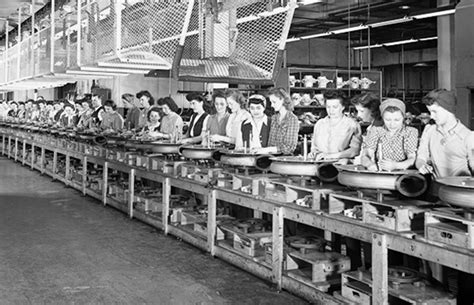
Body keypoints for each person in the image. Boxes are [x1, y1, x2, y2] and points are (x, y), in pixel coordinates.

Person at [414, 89, 474, 304]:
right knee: (434, 254)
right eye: (430, 112)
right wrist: (422, 166)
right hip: (437, 201)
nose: (432, 116)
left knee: (464, 258)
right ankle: (437, 297)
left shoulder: (469, 138)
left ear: (449, 110)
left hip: (463, 206)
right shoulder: (430, 131)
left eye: (436, 112)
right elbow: (421, 157)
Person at [361, 99, 418, 171]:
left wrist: (396, 165)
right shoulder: (376, 131)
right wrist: (370, 165)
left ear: (403, 118)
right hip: (380, 173)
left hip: (403, 176)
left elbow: (412, 159)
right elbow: (365, 156)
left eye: (397, 120)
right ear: (382, 118)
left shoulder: (410, 132)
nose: (392, 124)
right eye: (387, 120)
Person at [308, 91, 362, 161]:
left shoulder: (352, 125)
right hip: (320, 165)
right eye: (328, 107)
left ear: (343, 107)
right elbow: (314, 147)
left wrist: (330, 156)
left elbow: (355, 151)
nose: (331, 110)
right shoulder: (319, 124)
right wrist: (313, 153)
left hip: (341, 166)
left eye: (335, 107)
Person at [267, 88, 299, 155]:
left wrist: (268, 149)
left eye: (274, 102)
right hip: (272, 157)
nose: (272, 105)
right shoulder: (274, 118)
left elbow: (289, 148)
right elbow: (270, 143)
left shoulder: (292, 119)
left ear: (282, 100)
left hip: (285, 159)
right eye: (271, 102)